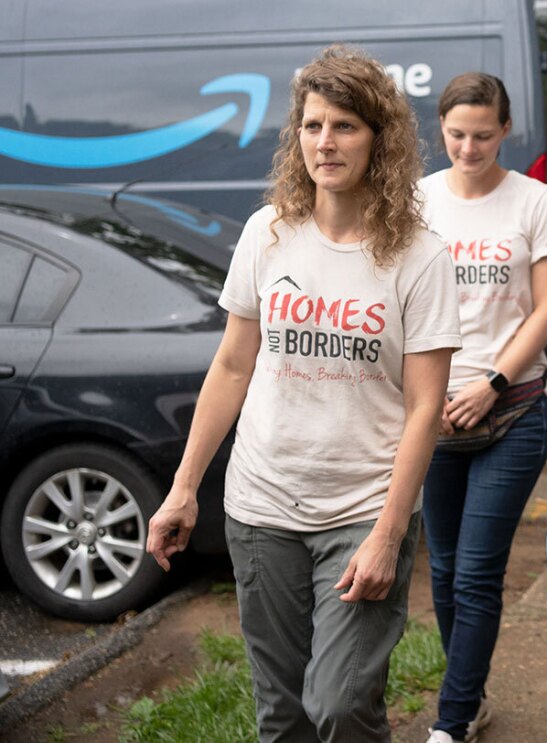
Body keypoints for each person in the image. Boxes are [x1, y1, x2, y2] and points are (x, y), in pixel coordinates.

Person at [145, 45, 460, 742]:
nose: (326, 142)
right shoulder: (269, 233)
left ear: (380, 139)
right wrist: (185, 487)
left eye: (345, 125)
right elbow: (232, 365)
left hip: (361, 510)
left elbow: (424, 408)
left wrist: (388, 533)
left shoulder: (420, 256)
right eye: (313, 125)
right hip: (262, 507)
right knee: (281, 715)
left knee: (342, 705)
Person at [419, 72, 547, 743]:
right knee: (444, 572)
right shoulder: (418, 201)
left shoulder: (534, 202)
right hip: (432, 412)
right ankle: (471, 697)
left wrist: (494, 379)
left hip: (510, 408)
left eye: (483, 135)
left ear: (505, 129)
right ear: (441, 129)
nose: (469, 147)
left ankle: (451, 722)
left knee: (477, 573)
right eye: (456, 134)